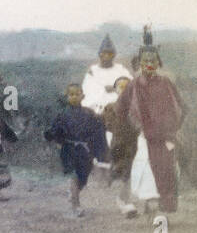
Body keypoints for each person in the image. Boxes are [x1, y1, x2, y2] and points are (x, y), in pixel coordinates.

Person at [114, 32, 184, 214]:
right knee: (147, 168)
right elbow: (120, 108)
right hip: (145, 135)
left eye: (153, 62)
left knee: (167, 168)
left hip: (166, 134)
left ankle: (162, 204)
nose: (149, 65)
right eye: (146, 61)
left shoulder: (166, 83)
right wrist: (133, 126)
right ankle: (149, 205)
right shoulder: (135, 85)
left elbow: (179, 106)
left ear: (158, 63)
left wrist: (173, 126)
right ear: (140, 63)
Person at [44, 83, 109, 216]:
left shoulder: (89, 113)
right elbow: (55, 130)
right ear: (67, 97)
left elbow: (97, 131)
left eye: (76, 94)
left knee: (83, 178)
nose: (74, 97)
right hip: (69, 149)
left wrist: (99, 151)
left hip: (85, 151)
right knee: (74, 175)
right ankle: (76, 205)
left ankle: (74, 193)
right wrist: (51, 136)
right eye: (70, 94)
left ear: (82, 96)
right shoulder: (62, 115)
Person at [103, 76, 139, 216]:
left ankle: (124, 200)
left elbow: (140, 124)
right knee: (123, 170)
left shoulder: (136, 108)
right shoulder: (111, 107)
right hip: (118, 143)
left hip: (132, 144)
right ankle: (123, 201)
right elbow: (107, 125)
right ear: (115, 90)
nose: (124, 90)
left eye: (127, 87)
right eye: (120, 87)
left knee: (128, 172)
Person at [81, 34, 132, 115]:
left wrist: (115, 89)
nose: (107, 56)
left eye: (110, 53)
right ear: (99, 54)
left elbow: (131, 87)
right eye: (104, 53)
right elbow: (88, 92)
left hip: (119, 109)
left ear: (114, 54)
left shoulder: (121, 69)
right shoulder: (93, 71)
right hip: (97, 110)